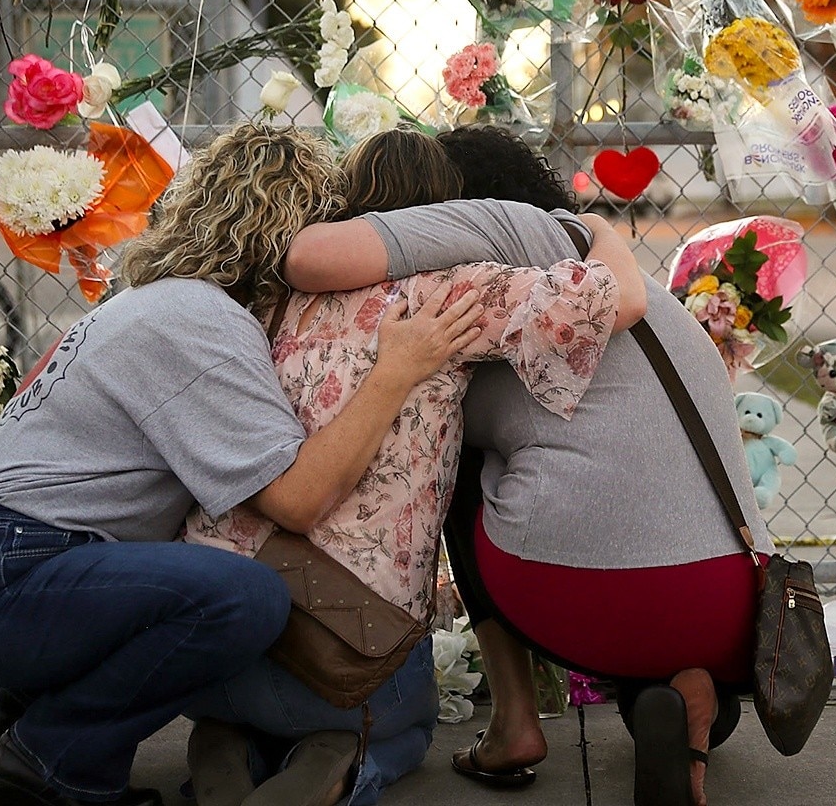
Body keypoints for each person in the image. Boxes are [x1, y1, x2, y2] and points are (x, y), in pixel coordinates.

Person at [0, 125, 486, 806]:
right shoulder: (201, 322)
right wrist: (396, 372)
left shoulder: (150, 303)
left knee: (201, 568)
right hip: (10, 574)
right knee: (241, 597)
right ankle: (55, 757)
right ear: (289, 238)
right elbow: (298, 499)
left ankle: (37, 712)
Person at [285, 125, 776, 806]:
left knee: (457, 463)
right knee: (669, 655)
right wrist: (604, 229)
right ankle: (684, 694)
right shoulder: (609, 274)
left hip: (574, 589)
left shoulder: (487, 279)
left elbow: (309, 258)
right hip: (731, 600)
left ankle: (515, 722)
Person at [179, 127, 645, 806]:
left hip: (211, 602)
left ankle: (223, 740)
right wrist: (601, 231)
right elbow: (618, 301)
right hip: (339, 638)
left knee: (232, 706)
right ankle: (339, 760)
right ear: (444, 211)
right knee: (401, 724)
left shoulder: (270, 291)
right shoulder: (451, 292)